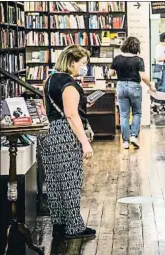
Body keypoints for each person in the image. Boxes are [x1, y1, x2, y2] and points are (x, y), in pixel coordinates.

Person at [40, 45, 95, 239]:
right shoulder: (69, 84)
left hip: (49, 133)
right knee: (71, 180)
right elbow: (71, 115)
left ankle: (60, 224)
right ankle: (74, 226)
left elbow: (52, 107)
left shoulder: (50, 79)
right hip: (65, 134)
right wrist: (84, 142)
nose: (84, 68)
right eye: (82, 64)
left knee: (55, 181)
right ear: (72, 62)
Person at [108, 36, 156, 149]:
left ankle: (125, 141)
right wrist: (151, 85)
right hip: (135, 87)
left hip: (121, 86)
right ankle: (134, 136)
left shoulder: (117, 58)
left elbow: (110, 74)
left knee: (124, 115)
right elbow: (143, 77)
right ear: (137, 47)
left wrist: (118, 72)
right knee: (137, 113)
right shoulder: (138, 60)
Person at [152, 32, 165, 113]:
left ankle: (163, 105)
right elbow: (158, 58)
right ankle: (156, 105)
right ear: (164, 39)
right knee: (161, 86)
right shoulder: (158, 47)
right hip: (160, 67)